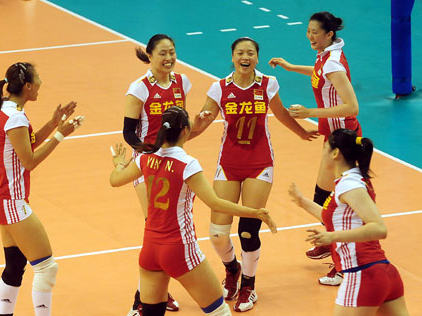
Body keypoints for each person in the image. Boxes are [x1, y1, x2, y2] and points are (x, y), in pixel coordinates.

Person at [189, 37, 318, 312]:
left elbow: (281, 114)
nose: (245, 57)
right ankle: (232, 268)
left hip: (260, 163)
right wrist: (178, 139)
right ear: (232, 57)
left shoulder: (267, 83)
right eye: (240, 53)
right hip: (229, 163)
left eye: (250, 53)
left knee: (248, 229)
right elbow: (202, 123)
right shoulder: (219, 87)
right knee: (217, 234)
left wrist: (301, 131)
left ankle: (249, 284)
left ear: (257, 58)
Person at [110, 106, 277, 316]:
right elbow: (215, 203)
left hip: (150, 249)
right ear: (185, 132)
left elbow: (115, 180)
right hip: (179, 247)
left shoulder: (145, 158)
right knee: (219, 311)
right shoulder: (187, 164)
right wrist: (256, 212)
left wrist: (117, 164)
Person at [269, 11, 362, 285]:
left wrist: (310, 111)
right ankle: (331, 243)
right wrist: (290, 66)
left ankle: (342, 262)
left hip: (344, 137)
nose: (310, 36)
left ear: (329, 34)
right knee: (324, 195)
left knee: (336, 201)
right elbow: (318, 73)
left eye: (314, 32)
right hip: (332, 136)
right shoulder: (325, 56)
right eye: (308, 31)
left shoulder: (333, 63)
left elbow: (352, 107)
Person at [0, 62, 84, 316]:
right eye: (38, 77)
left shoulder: (6, 110)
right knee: (46, 268)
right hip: (11, 201)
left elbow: (25, 145)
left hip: (2, 199)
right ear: (28, 86)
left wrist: (53, 123)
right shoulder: (16, 116)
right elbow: (29, 161)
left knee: (15, 264)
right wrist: (60, 135)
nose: (41, 81)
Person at [288, 128, 409, 316]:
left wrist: (332, 236)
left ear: (335, 153)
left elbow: (379, 228)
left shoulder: (348, 184)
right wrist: (303, 202)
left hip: (362, 273)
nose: (323, 153)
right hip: (383, 273)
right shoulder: (352, 180)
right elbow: (337, 218)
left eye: (325, 148)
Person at [122, 34, 189, 315]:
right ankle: (141, 300)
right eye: (162, 53)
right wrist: (150, 151)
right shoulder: (139, 88)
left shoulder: (183, 83)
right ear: (150, 56)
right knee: (155, 225)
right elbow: (128, 133)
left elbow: (183, 126)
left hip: (174, 163)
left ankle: (155, 293)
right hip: (147, 163)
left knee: (169, 227)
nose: (168, 58)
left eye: (171, 52)